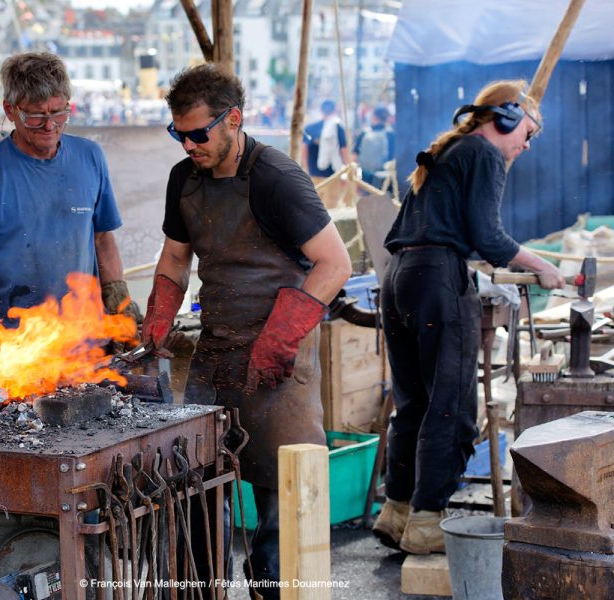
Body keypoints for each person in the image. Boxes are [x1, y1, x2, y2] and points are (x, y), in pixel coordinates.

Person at [142, 64, 352, 595]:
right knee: (195, 492)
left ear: (233, 119)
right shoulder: (182, 180)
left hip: (277, 363)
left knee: (281, 503)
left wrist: (279, 338)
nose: (188, 145)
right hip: (215, 356)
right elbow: (173, 258)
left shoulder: (278, 178)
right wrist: (159, 320)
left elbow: (334, 263)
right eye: (178, 134)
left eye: (197, 133)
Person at [372, 80, 565, 555]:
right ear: (507, 118)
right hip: (436, 279)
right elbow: (490, 237)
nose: (526, 144)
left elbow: (461, 234)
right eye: (529, 132)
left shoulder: (451, 151)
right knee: (452, 407)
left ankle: (396, 512)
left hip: (399, 277)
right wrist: (543, 266)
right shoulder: (483, 154)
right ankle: (426, 522)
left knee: (414, 404)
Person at [0, 51, 138, 365]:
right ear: (10, 110)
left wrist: (119, 304)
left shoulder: (90, 157)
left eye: (59, 113)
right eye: (35, 116)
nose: (50, 126)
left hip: (89, 344)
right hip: (19, 348)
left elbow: (102, 239)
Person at [301, 99, 349, 208]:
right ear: (335, 110)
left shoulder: (309, 128)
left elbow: (304, 150)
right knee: (331, 209)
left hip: (313, 174)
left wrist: (306, 170)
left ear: (321, 110)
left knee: (314, 208)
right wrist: (346, 172)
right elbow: (344, 151)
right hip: (333, 176)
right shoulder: (337, 127)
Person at [353, 105, 394, 186]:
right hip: (384, 180)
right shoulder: (391, 134)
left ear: (374, 117)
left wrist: (355, 176)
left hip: (366, 177)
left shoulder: (364, 133)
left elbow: (354, 155)